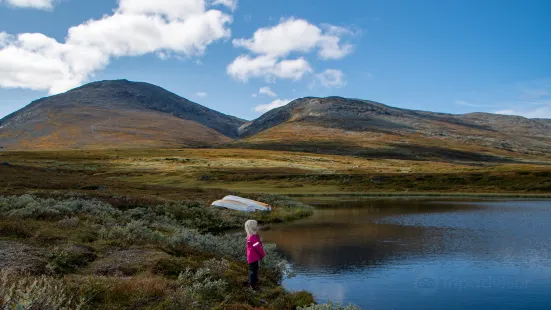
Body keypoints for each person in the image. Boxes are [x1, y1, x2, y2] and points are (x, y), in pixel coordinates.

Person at [245, 219, 266, 291]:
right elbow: (257, 247)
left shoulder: (249, 236)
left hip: (251, 257)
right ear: (252, 227)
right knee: (254, 271)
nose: (257, 226)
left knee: (253, 270)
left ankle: (252, 283)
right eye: (255, 225)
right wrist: (263, 254)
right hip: (253, 257)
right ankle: (253, 285)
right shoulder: (253, 237)